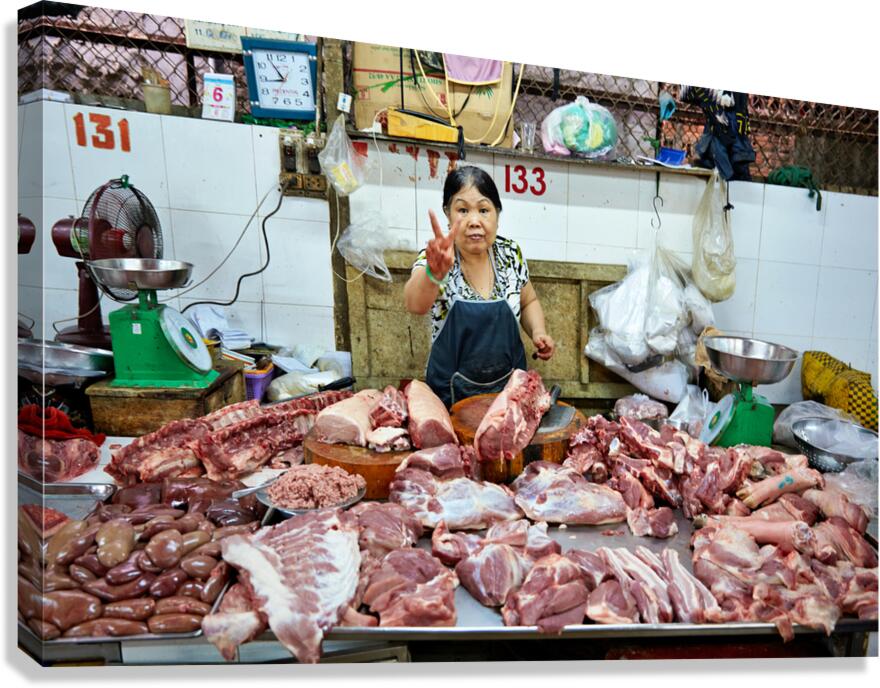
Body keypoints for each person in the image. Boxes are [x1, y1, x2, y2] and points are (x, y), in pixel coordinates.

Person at [404, 165, 555, 408]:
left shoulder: (509, 253)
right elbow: (414, 304)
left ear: (497, 214)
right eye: (462, 210)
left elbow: (529, 301)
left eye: (484, 210)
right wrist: (435, 273)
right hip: (451, 397)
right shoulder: (438, 256)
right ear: (448, 214)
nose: (474, 221)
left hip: (509, 396)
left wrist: (538, 331)